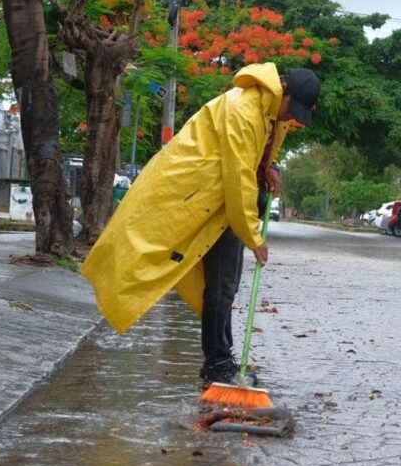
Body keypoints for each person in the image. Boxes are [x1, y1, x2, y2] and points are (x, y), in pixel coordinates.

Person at [81, 63, 320, 386]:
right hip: (197, 196)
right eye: (295, 111)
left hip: (221, 203)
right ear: (284, 91)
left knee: (224, 286)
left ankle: (221, 361)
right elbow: (238, 182)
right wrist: (254, 238)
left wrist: (271, 166)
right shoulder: (243, 110)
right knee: (210, 282)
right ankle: (217, 365)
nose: (293, 119)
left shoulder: (270, 111)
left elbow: (262, 152)